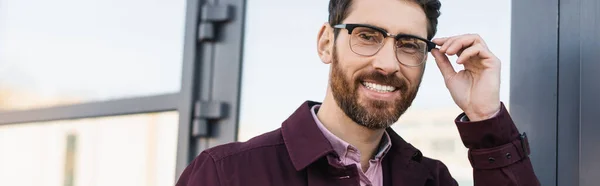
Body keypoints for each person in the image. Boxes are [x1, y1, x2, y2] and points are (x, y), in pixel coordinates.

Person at [176, 0, 540, 185]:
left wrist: (485, 117)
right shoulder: (227, 175)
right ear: (325, 44)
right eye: (367, 36)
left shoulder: (432, 181)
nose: (388, 64)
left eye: (409, 44)